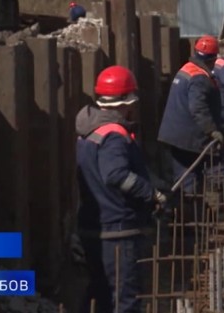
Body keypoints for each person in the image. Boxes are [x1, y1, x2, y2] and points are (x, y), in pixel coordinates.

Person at [75, 66, 167, 313]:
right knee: (124, 300)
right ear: (126, 103)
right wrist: (151, 194)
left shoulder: (90, 130)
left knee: (101, 296)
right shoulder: (114, 135)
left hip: (94, 226)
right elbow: (116, 175)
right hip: (117, 230)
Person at [157, 34, 224, 196]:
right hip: (187, 138)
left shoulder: (187, 68)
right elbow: (198, 108)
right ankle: (194, 205)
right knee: (191, 178)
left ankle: (190, 204)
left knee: (185, 176)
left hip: (175, 134)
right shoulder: (199, 78)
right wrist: (212, 130)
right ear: (213, 59)